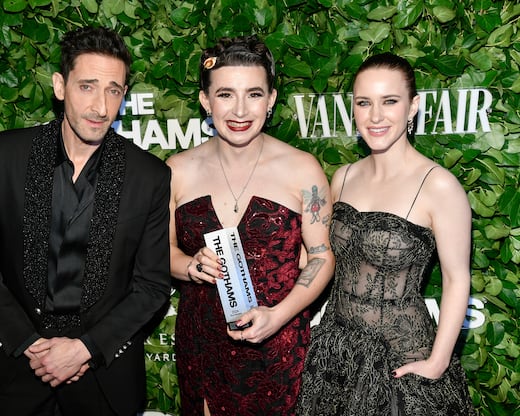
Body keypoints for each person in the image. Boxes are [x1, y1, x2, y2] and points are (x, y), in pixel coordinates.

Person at [0, 26, 171, 416]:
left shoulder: (149, 175)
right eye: (87, 86)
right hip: (15, 375)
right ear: (60, 86)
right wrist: (28, 343)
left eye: (113, 90)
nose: (101, 107)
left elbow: (152, 286)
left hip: (104, 381)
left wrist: (85, 348)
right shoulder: (5, 156)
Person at [296, 52, 476, 415]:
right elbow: (320, 256)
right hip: (336, 354)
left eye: (389, 101)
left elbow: (458, 280)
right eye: (364, 103)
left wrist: (438, 362)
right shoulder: (343, 176)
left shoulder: (439, 186)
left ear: (413, 107)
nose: (375, 116)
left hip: (403, 359)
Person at [166, 35, 335, 416]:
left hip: (279, 345)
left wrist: (279, 315)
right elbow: (161, 252)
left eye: (254, 94)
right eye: (225, 94)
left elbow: (322, 257)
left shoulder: (302, 168)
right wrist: (190, 266)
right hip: (203, 342)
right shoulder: (176, 170)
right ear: (205, 100)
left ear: (271, 100)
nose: (240, 109)